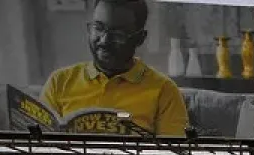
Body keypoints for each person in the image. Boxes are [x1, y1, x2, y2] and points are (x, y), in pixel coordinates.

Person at [41, 0, 188, 136]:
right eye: (98, 28)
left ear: (140, 38)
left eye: (118, 34)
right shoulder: (59, 82)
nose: (104, 40)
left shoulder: (165, 91)